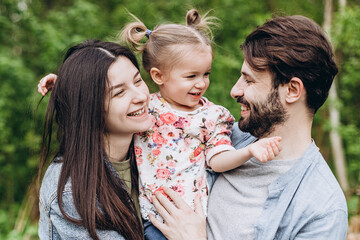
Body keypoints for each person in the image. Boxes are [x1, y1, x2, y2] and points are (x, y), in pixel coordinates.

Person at [150, 15, 348, 240]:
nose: (235, 91)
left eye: (249, 80)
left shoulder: (322, 211)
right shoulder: (217, 137)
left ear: (292, 90)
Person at [120, 9, 282, 239]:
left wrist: (248, 151)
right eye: (191, 76)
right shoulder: (145, 108)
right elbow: (106, 106)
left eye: (206, 74)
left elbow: (217, 161)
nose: (201, 83)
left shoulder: (211, 116)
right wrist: (64, 86)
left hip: (189, 221)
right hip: (147, 217)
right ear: (158, 76)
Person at [37, 40, 154, 239]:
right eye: (119, 92)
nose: (141, 96)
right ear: (90, 107)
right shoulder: (72, 192)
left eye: (137, 81)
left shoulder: (154, 144)